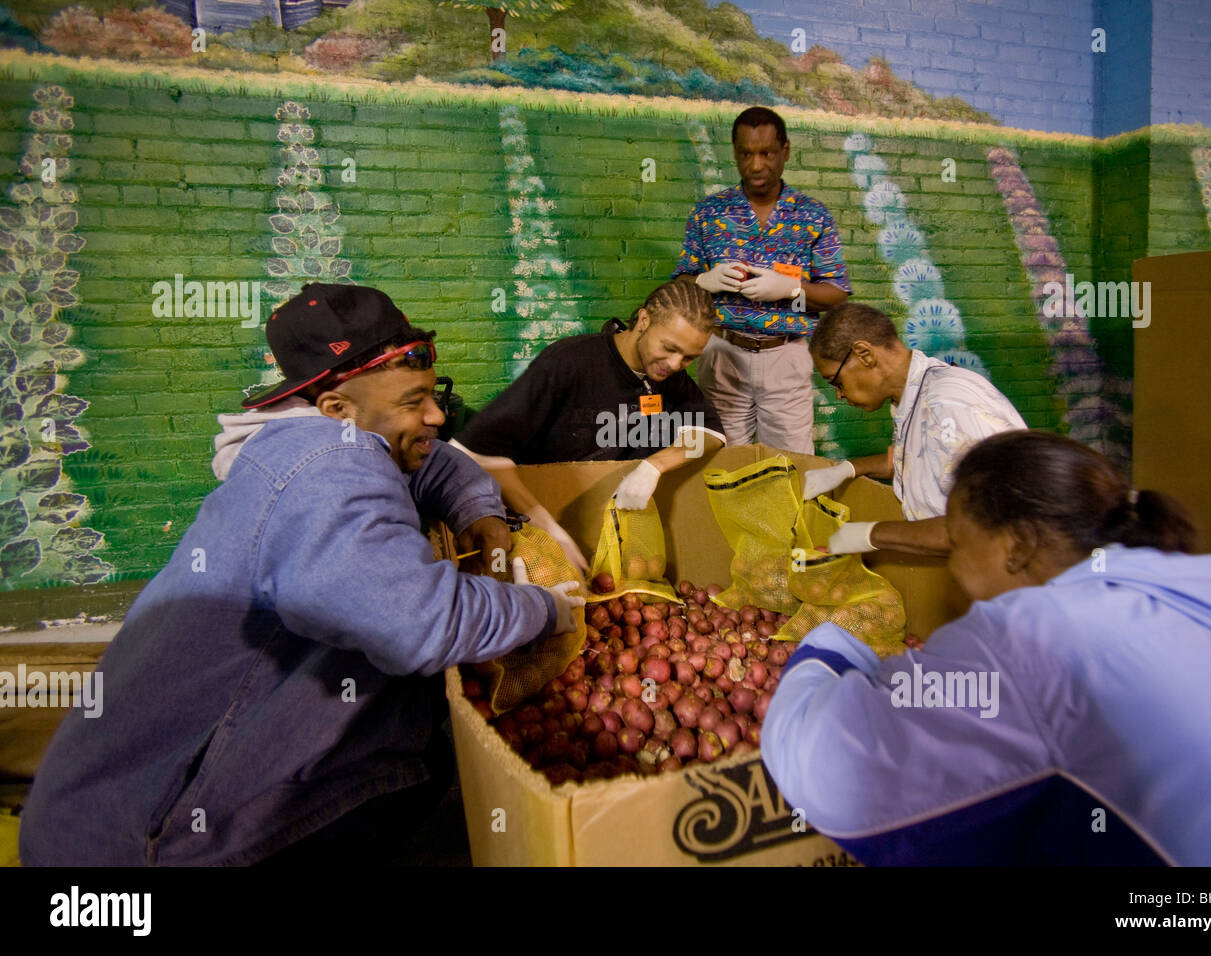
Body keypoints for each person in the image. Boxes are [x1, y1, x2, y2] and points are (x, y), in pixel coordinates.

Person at [18, 283, 583, 866]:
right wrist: (544, 608)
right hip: (143, 844)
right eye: (414, 403)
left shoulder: (319, 436)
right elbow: (419, 624)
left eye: (432, 394)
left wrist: (478, 510)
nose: (438, 415)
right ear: (336, 410)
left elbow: (433, 459)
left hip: (116, 814)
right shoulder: (327, 471)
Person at [762, 430, 1211, 866]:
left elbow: (830, 772)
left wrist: (830, 645)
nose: (953, 565)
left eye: (957, 539)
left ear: (1016, 545)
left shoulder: (1028, 637)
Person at [450, 277, 727, 572]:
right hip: (541, 529)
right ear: (644, 320)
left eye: (688, 358)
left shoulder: (669, 378)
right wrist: (545, 525)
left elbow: (709, 433)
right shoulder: (569, 363)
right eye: (669, 348)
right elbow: (478, 454)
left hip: (611, 540)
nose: (674, 364)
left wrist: (655, 466)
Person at [671, 106, 850, 455]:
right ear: (735, 153)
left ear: (785, 151)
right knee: (717, 460)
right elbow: (679, 286)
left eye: (766, 153)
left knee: (791, 465)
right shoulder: (709, 213)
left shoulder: (813, 215)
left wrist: (791, 289)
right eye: (745, 154)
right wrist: (704, 281)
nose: (755, 165)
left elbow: (836, 294)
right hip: (722, 353)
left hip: (786, 355)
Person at [801, 301, 1025, 556]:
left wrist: (870, 535)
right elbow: (924, 456)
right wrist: (849, 468)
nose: (839, 395)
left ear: (865, 354)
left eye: (836, 381)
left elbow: (985, 525)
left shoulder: (948, 406)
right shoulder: (916, 391)